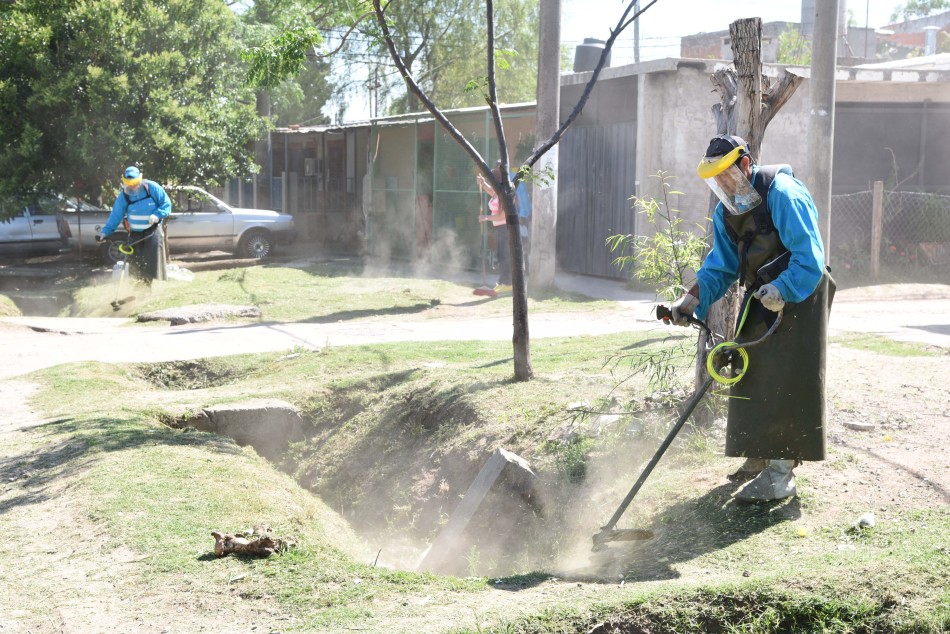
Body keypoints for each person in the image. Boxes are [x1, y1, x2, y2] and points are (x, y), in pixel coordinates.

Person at [669, 134, 835, 502]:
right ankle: (759, 453)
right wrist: (690, 300)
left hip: (802, 290)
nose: (723, 185)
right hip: (763, 292)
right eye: (716, 179)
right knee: (753, 371)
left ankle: (780, 475)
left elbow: (809, 257)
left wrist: (783, 289)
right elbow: (720, 267)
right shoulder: (726, 212)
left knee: (788, 378)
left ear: (745, 164)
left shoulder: (784, 194)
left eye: (726, 175)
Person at [97, 166, 171, 284]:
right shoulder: (124, 195)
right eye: (129, 184)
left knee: (152, 261)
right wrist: (105, 232)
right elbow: (116, 214)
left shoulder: (151, 187)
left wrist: (157, 215)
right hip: (135, 234)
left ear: (140, 179)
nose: (132, 186)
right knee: (136, 263)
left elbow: (166, 203)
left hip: (152, 231)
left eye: (134, 183)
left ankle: (149, 285)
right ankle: (138, 286)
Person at [476, 165, 512, 294]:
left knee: (504, 256)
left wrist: (486, 217)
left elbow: (502, 216)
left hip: (505, 229)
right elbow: (492, 192)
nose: (490, 182)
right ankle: (502, 282)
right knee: (501, 255)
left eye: (491, 180)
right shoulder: (498, 191)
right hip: (500, 229)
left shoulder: (505, 193)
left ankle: (508, 283)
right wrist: (483, 184)